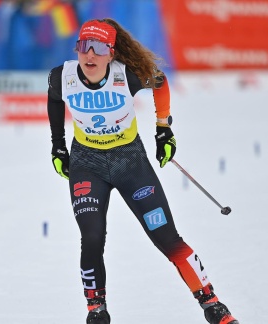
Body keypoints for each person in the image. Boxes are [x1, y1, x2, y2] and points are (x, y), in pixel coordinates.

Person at [46, 18, 239, 324]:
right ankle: (96, 309)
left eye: (98, 48)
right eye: (84, 47)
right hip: (87, 164)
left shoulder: (128, 75)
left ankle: (212, 304)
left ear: (112, 52)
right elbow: (55, 100)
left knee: (165, 236)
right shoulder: (62, 76)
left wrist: (164, 130)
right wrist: (58, 145)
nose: (89, 56)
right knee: (92, 237)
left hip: (129, 162)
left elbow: (160, 83)